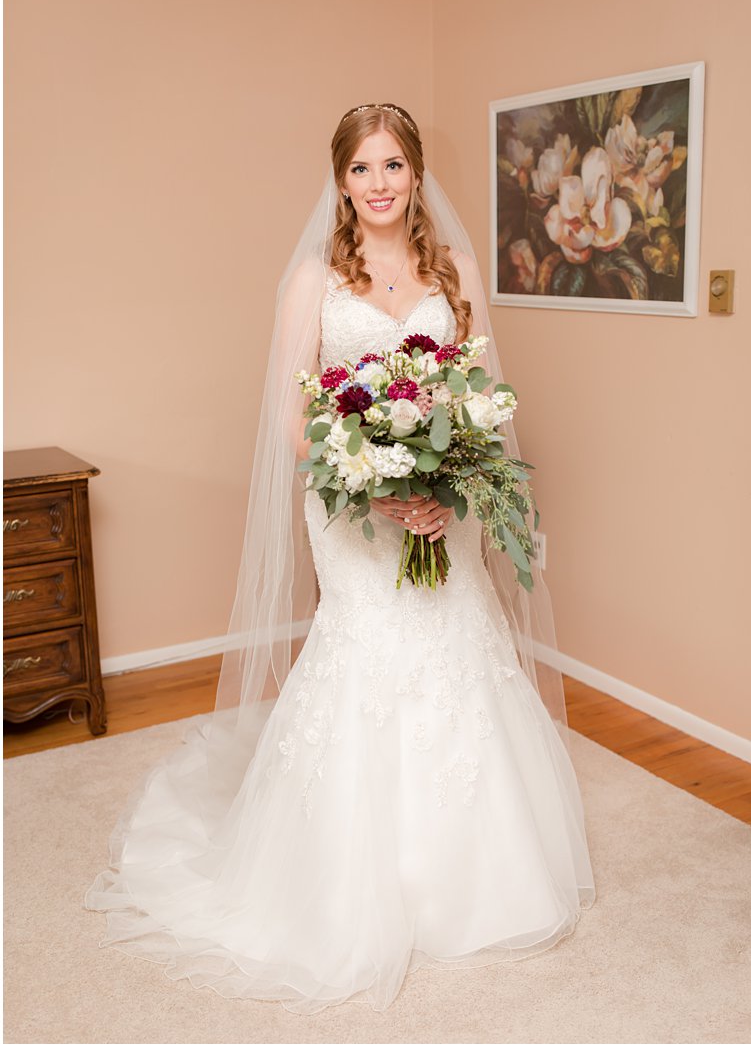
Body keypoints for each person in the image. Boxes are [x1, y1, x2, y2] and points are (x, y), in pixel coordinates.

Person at [85, 103, 595, 1013]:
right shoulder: (314, 281)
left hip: (443, 506)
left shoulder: (457, 271)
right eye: (362, 169)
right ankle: (339, 874)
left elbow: (480, 393)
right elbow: (293, 416)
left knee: (454, 640)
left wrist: (443, 488)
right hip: (354, 507)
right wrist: (370, 480)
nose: (380, 184)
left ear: (416, 172)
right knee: (367, 649)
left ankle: (469, 872)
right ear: (340, 181)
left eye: (393, 165)